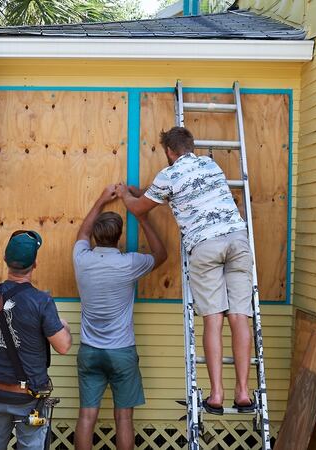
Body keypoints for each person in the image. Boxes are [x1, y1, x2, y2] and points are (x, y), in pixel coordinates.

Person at [116, 126, 256, 415]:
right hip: (237, 240)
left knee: (214, 318)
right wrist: (140, 192)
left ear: (169, 151)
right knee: (240, 316)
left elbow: (140, 209)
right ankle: (243, 393)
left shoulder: (168, 175)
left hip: (206, 246)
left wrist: (124, 195)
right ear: (191, 146)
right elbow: (178, 195)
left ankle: (216, 395)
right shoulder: (210, 164)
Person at [72, 185, 167, 450]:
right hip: (122, 352)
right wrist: (141, 215)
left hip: (90, 351)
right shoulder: (130, 263)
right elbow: (161, 254)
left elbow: (82, 232)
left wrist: (101, 200)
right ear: (119, 237)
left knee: (86, 416)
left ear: (96, 237)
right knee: (124, 417)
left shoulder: (81, 259)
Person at [0, 230, 72, 450]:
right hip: (29, 398)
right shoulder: (42, 301)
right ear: (35, 264)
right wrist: (65, 327)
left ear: (5, 260)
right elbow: (63, 346)